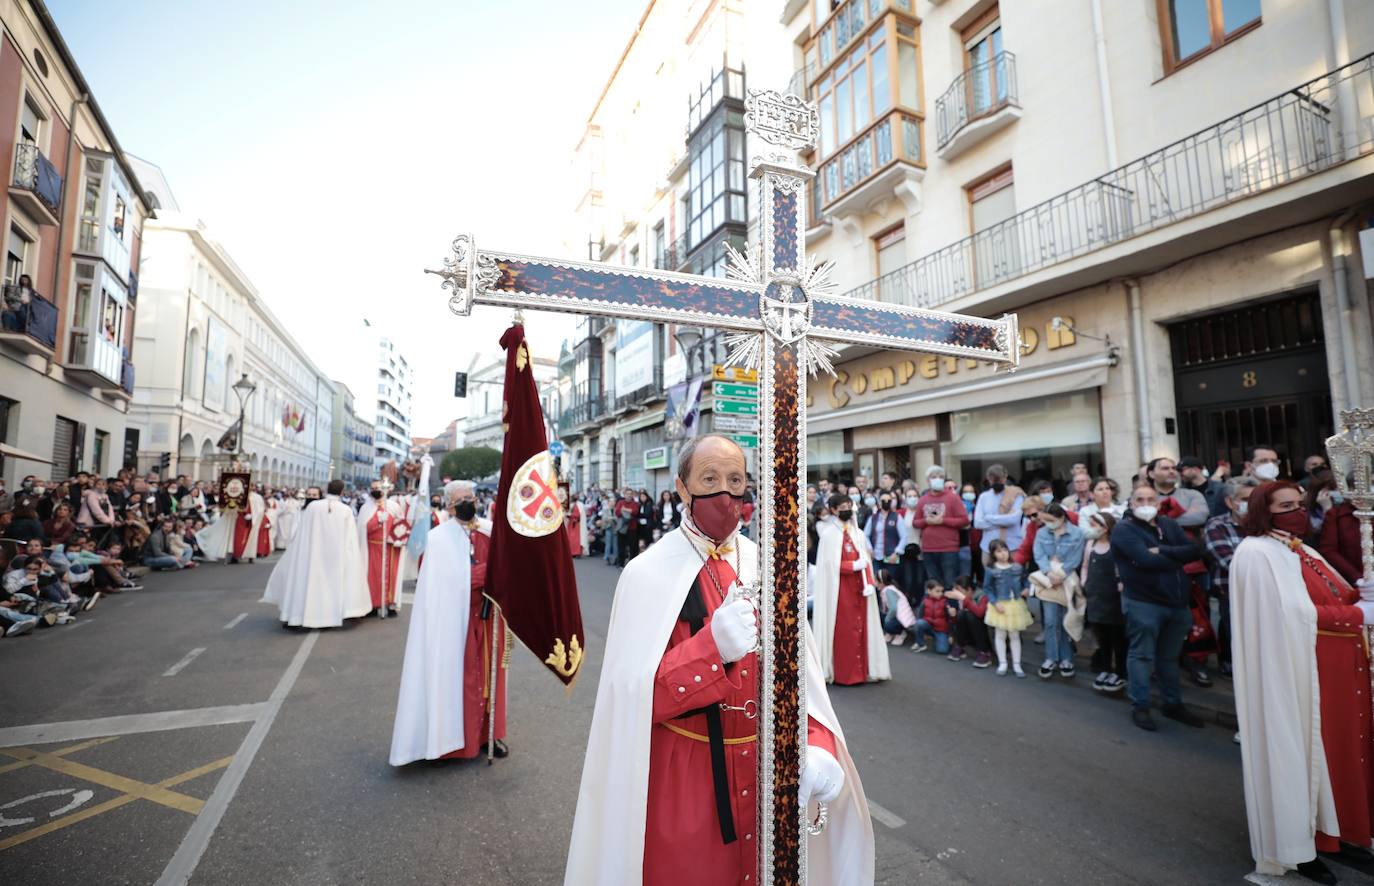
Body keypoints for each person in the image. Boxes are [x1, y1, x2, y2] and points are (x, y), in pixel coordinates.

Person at [564, 434, 874, 886]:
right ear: (682, 487)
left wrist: (818, 745)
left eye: (735, 480)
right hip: (687, 780)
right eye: (709, 479)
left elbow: (798, 682)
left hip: (766, 773)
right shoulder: (647, 572)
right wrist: (711, 651)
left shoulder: (768, 563)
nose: (725, 493)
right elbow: (633, 700)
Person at [1230, 480, 1374, 883]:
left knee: (1341, 754)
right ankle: (1299, 846)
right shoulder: (1256, 553)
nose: (1297, 511)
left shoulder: (1300, 547)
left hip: (1335, 671)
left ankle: (1339, 834)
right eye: (1286, 505)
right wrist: (1358, 615)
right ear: (1265, 509)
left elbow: (1332, 595)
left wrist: (1358, 594)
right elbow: (1290, 615)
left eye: (1301, 503)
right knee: (1303, 756)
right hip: (1295, 673)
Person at [390, 478, 509, 764]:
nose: (468, 503)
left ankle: (489, 735)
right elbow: (439, 583)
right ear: (449, 506)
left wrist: (494, 576)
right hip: (456, 621)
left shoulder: (491, 531)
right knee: (463, 679)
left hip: (489, 616)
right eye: (460, 500)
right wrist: (482, 575)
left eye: (471, 497)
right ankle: (457, 740)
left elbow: (506, 568)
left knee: (492, 678)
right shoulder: (438, 539)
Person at [1110, 484, 1205, 732]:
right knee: (1141, 655)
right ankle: (1140, 706)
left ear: (1159, 502)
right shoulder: (1123, 529)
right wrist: (1175, 556)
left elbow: (1195, 551)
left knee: (1169, 658)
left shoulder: (1169, 525)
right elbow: (1145, 560)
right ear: (1130, 503)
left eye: (1150, 499)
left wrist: (1162, 550)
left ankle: (1172, 704)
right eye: (1139, 499)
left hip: (1176, 603)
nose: (1145, 503)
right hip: (1143, 603)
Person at [262, 480, 372, 629]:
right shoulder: (345, 510)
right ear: (342, 491)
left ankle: (300, 616)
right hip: (336, 556)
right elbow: (350, 539)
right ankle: (327, 618)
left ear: (327, 490)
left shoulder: (313, 507)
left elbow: (303, 532)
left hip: (311, 554)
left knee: (308, 586)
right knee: (331, 587)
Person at [813, 492, 891, 686]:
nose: (848, 510)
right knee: (846, 630)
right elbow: (829, 566)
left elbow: (866, 558)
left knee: (861, 627)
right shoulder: (829, 534)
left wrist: (869, 580)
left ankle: (863, 671)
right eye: (843, 507)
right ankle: (846, 674)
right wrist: (852, 566)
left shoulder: (857, 532)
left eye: (850, 505)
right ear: (833, 510)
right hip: (840, 591)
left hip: (859, 589)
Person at [1202, 477, 1258, 680]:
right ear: (1229, 502)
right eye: (1244, 498)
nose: (1250, 504)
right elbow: (1229, 562)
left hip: (1264, 594)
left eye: (1255, 499)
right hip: (1232, 592)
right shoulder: (1217, 526)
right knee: (1237, 636)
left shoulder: (1266, 525)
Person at [1029, 503, 1085, 679]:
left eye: (1050, 520)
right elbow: (1038, 554)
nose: (1046, 523)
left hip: (1067, 580)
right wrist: (1048, 572)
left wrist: (1060, 574)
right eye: (1044, 520)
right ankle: (1051, 658)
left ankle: (1066, 659)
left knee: (1065, 621)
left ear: (1061, 518)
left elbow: (1075, 558)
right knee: (1051, 621)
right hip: (1048, 581)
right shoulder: (1042, 533)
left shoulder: (1076, 533)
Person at [1080, 512, 1126, 694]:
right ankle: (1105, 669)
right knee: (1102, 637)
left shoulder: (1116, 546)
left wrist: (1121, 583)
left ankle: (1120, 672)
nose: (1090, 528)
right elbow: (1084, 566)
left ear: (1105, 527)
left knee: (1118, 638)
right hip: (1095, 596)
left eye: (1093, 525)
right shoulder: (1090, 544)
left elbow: (1121, 569)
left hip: (1113, 598)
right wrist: (1084, 583)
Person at [912, 465, 968, 593]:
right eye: (934, 477)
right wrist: (927, 521)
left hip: (949, 549)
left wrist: (943, 521)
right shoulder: (923, 500)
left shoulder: (953, 498)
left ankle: (951, 610)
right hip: (928, 549)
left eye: (940, 477)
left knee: (949, 584)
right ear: (928, 481)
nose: (937, 479)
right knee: (933, 584)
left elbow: (964, 520)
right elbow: (915, 522)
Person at [982, 539, 1030, 677]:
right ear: (993, 554)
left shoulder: (1017, 567)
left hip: (1015, 604)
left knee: (1014, 635)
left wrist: (1026, 588)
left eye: (1004, 550)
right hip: (1000, 604)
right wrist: (995, 602)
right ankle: (1003, 662)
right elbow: (987, 588)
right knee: (1000, 634)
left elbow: (1025, 579)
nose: (1003, 554)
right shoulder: (991, 570)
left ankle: (1017, 664)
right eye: (998, 551)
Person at [360, 483, 406, 616]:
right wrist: (378, 521)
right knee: (373, 577)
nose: (375, 490)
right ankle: (373, 605)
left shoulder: (394, 506)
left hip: (391, 548)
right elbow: (363, 529)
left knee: (392, 576)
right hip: (372, 547)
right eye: (373, 488)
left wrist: (398, 537)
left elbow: (401, 525)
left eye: (378, 488)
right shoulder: (366, 508)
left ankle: (390, 605)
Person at [973, 465, 1025, 558]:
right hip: (988, 548)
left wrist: (988, 517)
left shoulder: (1016, 494)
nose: (997, 482)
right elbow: (978, 523)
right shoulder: (984, 497)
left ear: (1005, 478)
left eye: (999, 479)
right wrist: (1004, 522)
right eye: (994, 480)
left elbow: (1014, 519)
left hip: (1012, 547)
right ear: (988, 479)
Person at [946, 574, 993, 667]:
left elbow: (980, 613)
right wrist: (953, 615)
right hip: (969, 635)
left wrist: (964, 599)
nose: (957, 593)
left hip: (984, 633)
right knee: (961, 614)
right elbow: (956, 622)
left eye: (960, 590)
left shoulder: (982, 596)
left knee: (970, 615)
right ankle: (960, 646)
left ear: (969, 589)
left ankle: (984, 652)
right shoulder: (956, 598)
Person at [863, 489, 908, 580]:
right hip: (875, 556)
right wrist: (869, 549)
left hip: (891, 556)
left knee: (890, 581)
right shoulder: (873, 518)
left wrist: (897, 552)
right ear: (879, 502)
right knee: (876, 580)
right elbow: (865, 535)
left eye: (889, 500)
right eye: (883, 501)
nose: (886, 502)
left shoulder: (896, 517)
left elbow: (904, 536)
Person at [877, 567, 917, 646]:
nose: (875, 583)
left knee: (887, 623)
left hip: (902, 618)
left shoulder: (889, 591)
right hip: (897, 616)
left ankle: (901, 633)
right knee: (881, 616)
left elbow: (894, 608)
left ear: (881, 582)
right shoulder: (886, 589)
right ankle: (891, 633)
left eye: (876, 581)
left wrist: (887, 619)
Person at [910, 579, 951, 655]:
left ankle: (941, 640)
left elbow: (949, 619)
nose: (940, 594)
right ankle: (920, 643)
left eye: (942, 591)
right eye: (937, 591)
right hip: (928, 626)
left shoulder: (945, 602)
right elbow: (919, 616)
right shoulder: (925, 601)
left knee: (942, 650)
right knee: (919, 623)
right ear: (929, 591)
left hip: (941, 630)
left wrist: (950, 634)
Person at [230, 487, 267, 564]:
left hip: (252, 521)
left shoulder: (256, 497)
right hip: (240, 519)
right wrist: (242, 513)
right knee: (238, 538)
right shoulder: (239, 495)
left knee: (252, 538)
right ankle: (236, 556)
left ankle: (250, 556)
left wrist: (254, 515)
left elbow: (261, 508)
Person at [562, 487, 588, 557]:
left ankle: (577, 552)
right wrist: (566, 515)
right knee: (570, 539)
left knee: (577, 539)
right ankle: (571, 552)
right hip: (570, 524)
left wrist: (571, 515)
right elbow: (565, 512)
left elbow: (579, 514)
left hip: (577, 524)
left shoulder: (580, 505)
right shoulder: (569, 504)